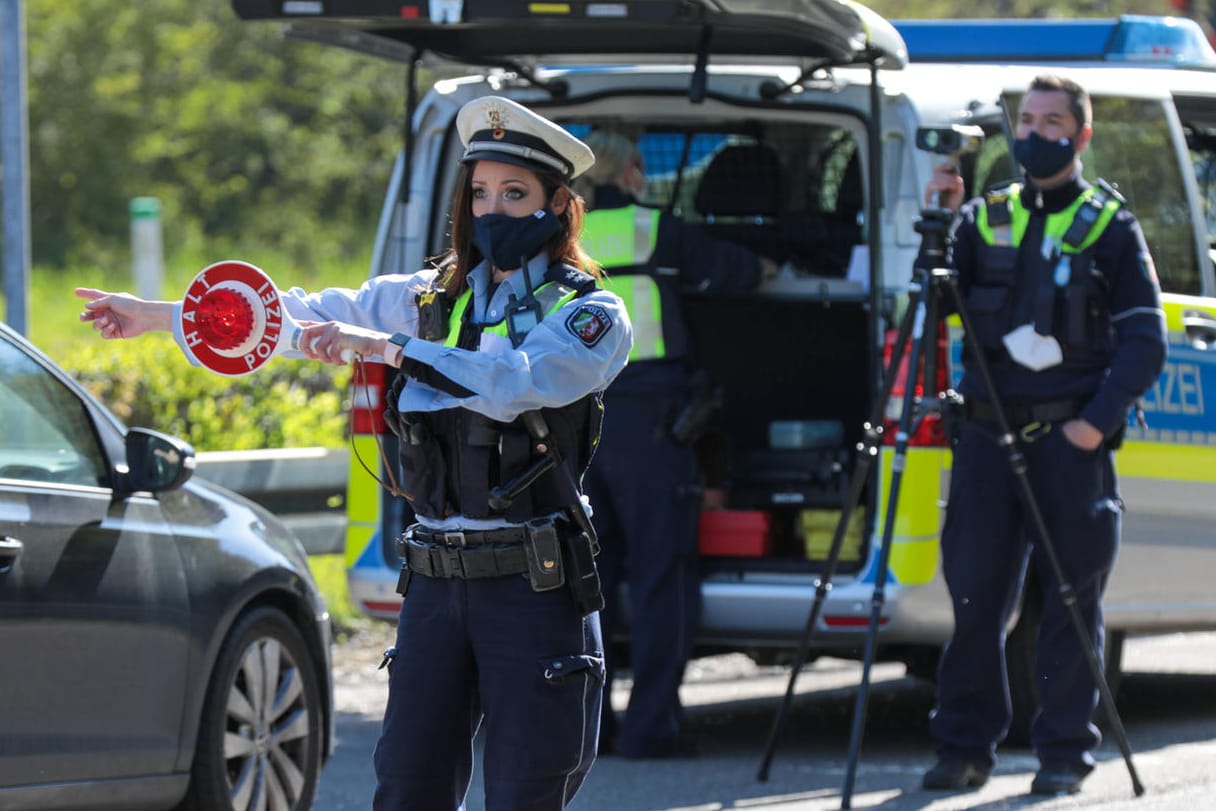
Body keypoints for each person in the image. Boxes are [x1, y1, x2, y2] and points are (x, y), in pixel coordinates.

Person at [77, 95, 633, 810]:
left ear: (559, 205)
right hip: (434, 581)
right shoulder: (431, 296)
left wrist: (388, 349)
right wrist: (158, 315)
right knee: (405, 788)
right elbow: (299, 315)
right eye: (481, 192)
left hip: (533, 584)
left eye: (515, 193)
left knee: (527, 791)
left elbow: (515, 384)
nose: (492, 209)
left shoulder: (588, 313)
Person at [919, 75, 1166, 796]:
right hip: (986, 439)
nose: (1036, 132)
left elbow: (1144, 344)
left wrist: (1094, 426)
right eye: (1026, 119)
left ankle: (1062, 753)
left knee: (1069, 603)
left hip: (1070, 440)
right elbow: (934, 305)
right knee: (973, 601)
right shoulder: (984, 218)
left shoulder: (1110, 226)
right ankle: (963, 747)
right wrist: (938, 219)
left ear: (1081, 135)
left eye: (1053, 120)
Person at [574, 130, 778, 759]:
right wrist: (775, 263)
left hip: (577, 426)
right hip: (650, 425)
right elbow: (744, 271)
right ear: (633, 172)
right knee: (662, 576)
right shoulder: (656, 227)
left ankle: (591, 729)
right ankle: (652, 728)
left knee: (590, 583)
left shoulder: (563, 235)